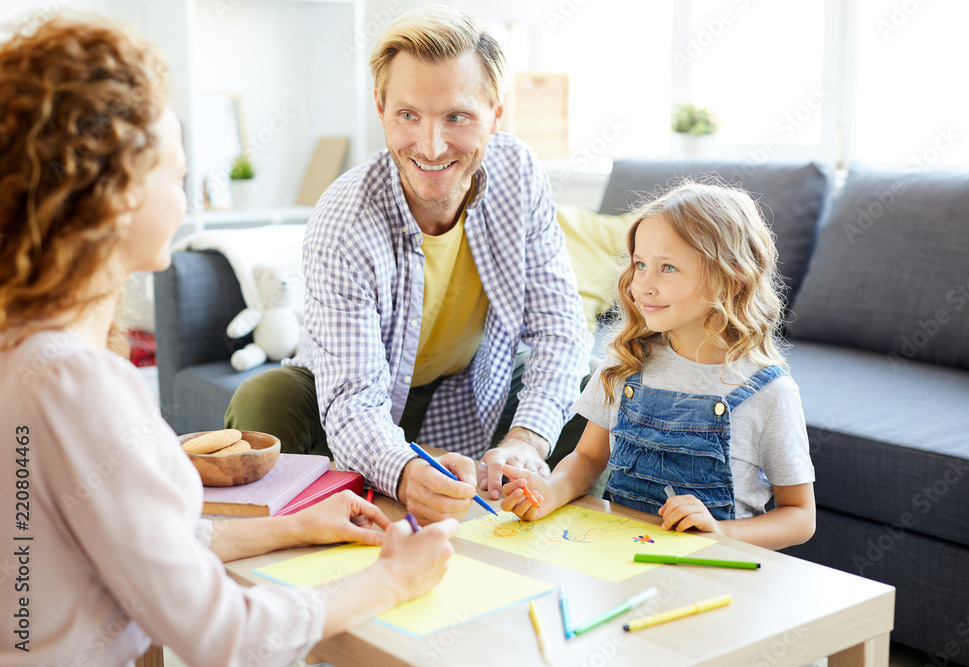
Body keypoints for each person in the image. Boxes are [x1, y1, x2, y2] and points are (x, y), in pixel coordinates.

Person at [0, 17, 457, 666]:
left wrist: (296, 524)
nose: (184, 205)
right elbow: (223, 634)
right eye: (177, 177)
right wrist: (391, 578)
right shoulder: (74, 383)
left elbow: (146, 544)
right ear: (117, 191)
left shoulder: (26, 353)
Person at [225, 5, 592, 525]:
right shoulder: (343, 219)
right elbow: (352, 400)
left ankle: (538, 518)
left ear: (496, 113)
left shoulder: (520, 174)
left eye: (457, 117)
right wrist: (401, 471)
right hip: (354, 386)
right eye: (408, 115)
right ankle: (289, 532)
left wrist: (527, 440)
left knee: (596, 391)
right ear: (380, 109)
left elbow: (559, 329)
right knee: (266, 395)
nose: (432, 145)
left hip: (473, 381)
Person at [500, 182, 816, 550]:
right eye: (640, 265)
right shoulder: (626, 360)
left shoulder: (770, 392)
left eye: (667, 267)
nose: (643, 286)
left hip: (712, 571)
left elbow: (799, 517)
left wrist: (722, 531)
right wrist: (550, 492)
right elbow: (587, 458)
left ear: (731, 278)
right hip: (618, 558)